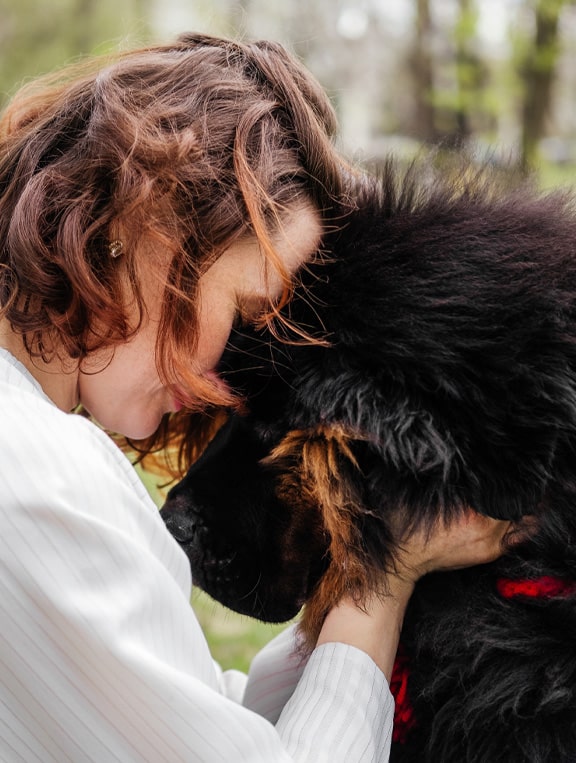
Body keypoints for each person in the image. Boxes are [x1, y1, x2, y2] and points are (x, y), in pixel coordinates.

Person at [0, 32, 521, 762]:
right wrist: (381, 583)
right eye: (247, 311)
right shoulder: (29, 477)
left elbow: (207, 719)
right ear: (147, 220)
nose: (224, 380)